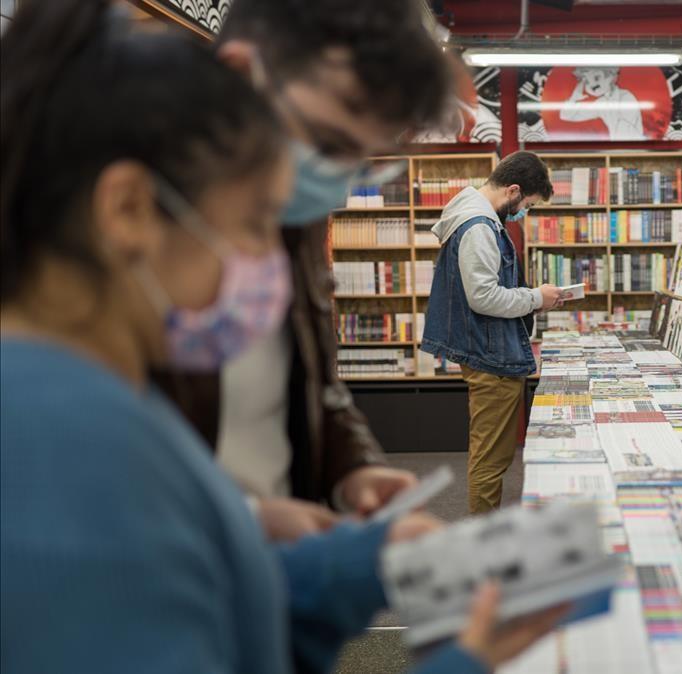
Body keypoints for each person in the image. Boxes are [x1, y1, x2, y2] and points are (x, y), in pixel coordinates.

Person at [0, 3, 559, 672]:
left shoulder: (97, 406)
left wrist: (342, 560)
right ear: (127, 211)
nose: (262, 264)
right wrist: (468, 662)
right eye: (253, 221)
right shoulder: (67, 445)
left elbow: (207, 601)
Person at [158, 0, 455, 542]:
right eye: (329, 144)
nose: (339, 186)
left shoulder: (292, 213)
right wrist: (245, 525)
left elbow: (313, 381)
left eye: (365, 164)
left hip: (264, 585)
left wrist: (351, 471)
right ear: (241, 77)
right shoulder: (108, 240)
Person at [421, 151, 562, 513]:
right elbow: (483, 297)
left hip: (490, 350)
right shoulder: (479, 227)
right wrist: (536, 298)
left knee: (493, 456)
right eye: (526, 205)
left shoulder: (475, 217)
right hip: (490, 356)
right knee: (491, 459)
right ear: (513, 190)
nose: (522, 213)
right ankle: (485, 542)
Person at [561, 66, 646, 140]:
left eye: (597, 77)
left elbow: (626, 132)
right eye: (587, 82)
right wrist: (573, 98)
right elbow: (566, 116)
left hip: (632, 150)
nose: (592, 85)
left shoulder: (626, 97)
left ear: (610, 76)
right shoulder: (601, 103)